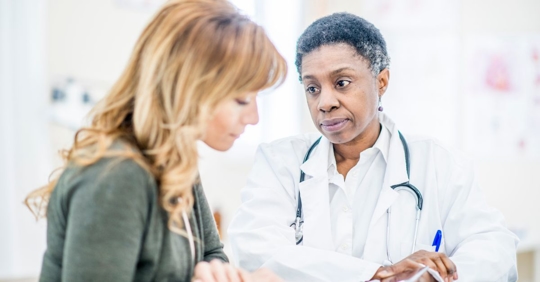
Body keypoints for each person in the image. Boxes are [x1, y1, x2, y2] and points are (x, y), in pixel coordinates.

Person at [228, 12, 518, 282]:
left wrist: (434, 276)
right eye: (312, 88)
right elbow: (256, 252)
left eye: (341, 83)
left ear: (381, 81)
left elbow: (495, 248)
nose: (324, 103)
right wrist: (378, 274)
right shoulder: (280, 162)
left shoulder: (438, 163)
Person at [25, 0, 286, 281]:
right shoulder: (116, 175)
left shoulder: (176, 162)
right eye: (242, 99)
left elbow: (211, 256)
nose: (254, 117)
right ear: (188, 88)